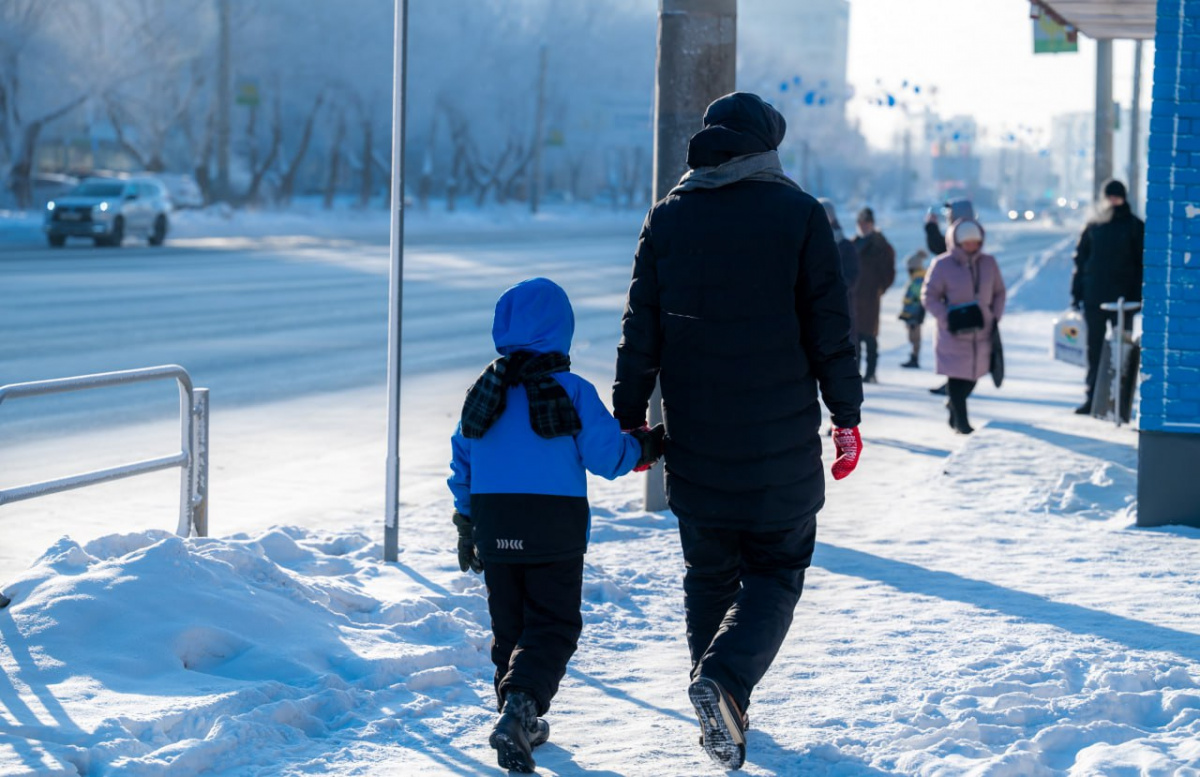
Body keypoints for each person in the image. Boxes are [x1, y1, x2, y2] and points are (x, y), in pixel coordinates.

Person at [612, 92, 863, 771]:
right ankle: (723, 684)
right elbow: (831, 330)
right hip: (778, 443)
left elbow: (640, 330)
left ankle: (720, 704)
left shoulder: (669, 216)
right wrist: (846, 415)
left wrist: (629, 416)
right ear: (767, 148)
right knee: (776, 571)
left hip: (696, 439)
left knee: (709, 575)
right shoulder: (800, 215)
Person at [448, 277, 664, 774]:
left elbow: (463, 461)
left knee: (510, 626)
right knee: (553, 624)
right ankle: (520, 708)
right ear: (562, 329)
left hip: (494, 522)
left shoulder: (484, 391)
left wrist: (466, 522)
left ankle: (516, 715)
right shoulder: (571, 390)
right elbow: (607, 456)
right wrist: (645, 447)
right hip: (553, 525)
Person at [921, 219, 1006, 434]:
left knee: (974, 376)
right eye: (967, 242)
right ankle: (962, 423)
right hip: (953, 332)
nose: (971, 246)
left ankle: (954, 407)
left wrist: (994, 316)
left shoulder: (988, 263)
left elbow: (999, 291)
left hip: (982, 331)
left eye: (975, 242)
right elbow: (929, 296)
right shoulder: (942, 264)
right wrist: (946, 318)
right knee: (956, 377)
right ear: (957, 242)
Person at [1070, 179, 1145, 415]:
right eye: (1109, 197)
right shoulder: (1094, 225)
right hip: (1094, 297)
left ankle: (1119, 400)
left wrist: (1136, 297)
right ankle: (1092, 398)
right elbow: (1080, 262)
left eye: (1117, 197)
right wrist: (1077, 294)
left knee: (1123, 349)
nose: (1113, 201)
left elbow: (1141, 265)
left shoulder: (1134, 226)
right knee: (1094, 349)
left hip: (1124, 301)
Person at [923, 199, 975, 395]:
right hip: (958, 299)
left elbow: (939, 247)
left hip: (960, 300)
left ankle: (958, 388)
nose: (948, 217)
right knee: (955, 346)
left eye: (950, 214)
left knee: (957, 346)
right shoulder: (968, 232)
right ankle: (955, 385)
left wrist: (931, 227)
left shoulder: (964, 235)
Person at [853, 207, 897, 383]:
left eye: (867, 223)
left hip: (871, 297)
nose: (863, 226)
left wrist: (880, 288)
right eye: (861, 223)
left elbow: (889, 272)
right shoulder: (854, 243)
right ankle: (855, 371)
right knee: (854, 338)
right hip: (854, 297)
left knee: (870, 336)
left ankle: (870, 373)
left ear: (872, 224)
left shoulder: (881, 245)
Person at [819, 198, 860, 340]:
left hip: (841, 305)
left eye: (826, 214)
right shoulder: (808, 242)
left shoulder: (846, 246)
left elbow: (853, 276)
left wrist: (835, 287)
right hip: (816, 308)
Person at [898, 250, 928, 369]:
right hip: (911, 313)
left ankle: (914, 358)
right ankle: (913, 356)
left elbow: (916, 298)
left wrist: (912, 313)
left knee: (915, 337)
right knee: (912, 337)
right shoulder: (916, 279)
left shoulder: (919, 280)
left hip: (915, 314)